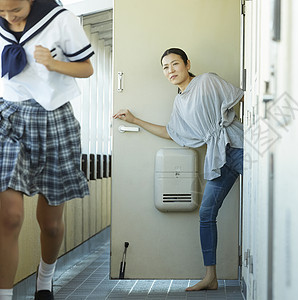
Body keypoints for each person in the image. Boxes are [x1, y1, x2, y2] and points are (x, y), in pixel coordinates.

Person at [113, 48, 244, 291]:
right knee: (206, 214)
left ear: (187, 64)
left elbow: (242, 98)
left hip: (237, 147)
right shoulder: (180, 101)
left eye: (175, 64)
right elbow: (172, 132)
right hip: (218, 158)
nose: (170, 70)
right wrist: (135, 121)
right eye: (165, 67)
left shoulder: (207, 81)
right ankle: (211, 277)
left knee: (271, 200)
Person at [0, 0, 94, 299]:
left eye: (15, 10)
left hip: (53, 118)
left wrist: (53, 63)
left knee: (50, 225)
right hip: (8, 116)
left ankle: (45, 280)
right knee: (10, 216)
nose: (9, 17)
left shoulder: (61, 19)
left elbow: (87, 68)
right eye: (1, 12)